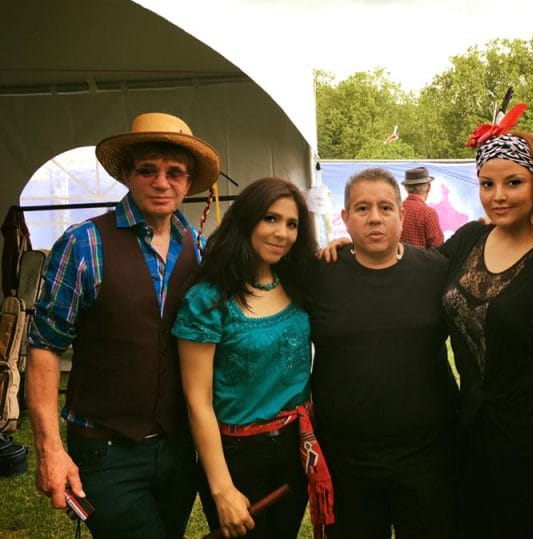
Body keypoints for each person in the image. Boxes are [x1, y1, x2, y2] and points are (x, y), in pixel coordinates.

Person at [26, 112, 220, 537]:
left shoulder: (197, 248)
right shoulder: (84, 243)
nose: (162, 182)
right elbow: (43, 346)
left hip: (177, 449)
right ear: (128, 176)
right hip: (106, 450)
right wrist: (50, 448)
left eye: (175, 173)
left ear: (188, 183)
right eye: (148, 170)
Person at [438, 117, 533, 538]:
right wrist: (350, 247)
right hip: (466, 440)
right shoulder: (467, 239)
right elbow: (410, 271)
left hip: (530, 448)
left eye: (513, 182)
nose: (498, 196)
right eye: (487, 184)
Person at [305, 167, 458, 539]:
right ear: (344, 219)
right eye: (362, 208)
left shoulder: (436, 272)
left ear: (402, 216)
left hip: (428, 460)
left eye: (386, 208)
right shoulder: (320, 273)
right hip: (347, 463)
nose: (375, 217)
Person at [173, 177, 325, 538]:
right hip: (237, 454)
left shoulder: (298, 282)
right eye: (270, 219)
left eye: (292, 224)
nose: (282, 233)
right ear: (246, 220)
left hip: (295, 445)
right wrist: (222, 488)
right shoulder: (207, 300)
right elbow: (198, 402)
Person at [400, 166, 444, 249]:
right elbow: (438, 247)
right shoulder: (428, 213)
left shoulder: (396, 209)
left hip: (398, 260)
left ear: (406, 187)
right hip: (422, 261)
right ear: (429, 187)